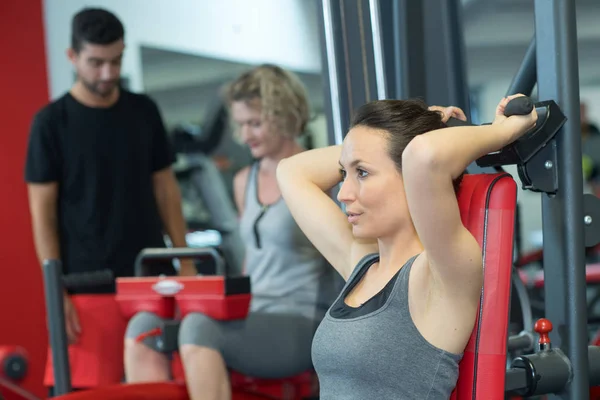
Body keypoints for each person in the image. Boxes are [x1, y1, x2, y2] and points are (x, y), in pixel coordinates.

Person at [276, 94, 537, 399]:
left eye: (361, 173)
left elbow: (425, 155)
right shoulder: (361, 265)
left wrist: (502, 132)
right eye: (344, 173)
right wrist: (372, 147)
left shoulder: (438, 277)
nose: (343, 193)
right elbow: (291, 172)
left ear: (410, 178)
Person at [124, 64, 337, 399]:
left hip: (301, 317)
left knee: (198, 327)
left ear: (284, 116)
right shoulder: (244, 181)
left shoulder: (318, 174)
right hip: (253, 312)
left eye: (255, 123)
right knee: (145, 326)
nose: (245, 135)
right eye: (240, 124)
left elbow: (343, 261)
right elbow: (253, 260)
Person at [24, 7, 195, 346]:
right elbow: (42, 215)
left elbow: (166, 191)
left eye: (116, 61)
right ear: (72, 56)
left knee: (159, 388)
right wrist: (55, 291)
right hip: (86, 282)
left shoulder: (144, 111)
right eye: (96, 62)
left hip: (150, 275)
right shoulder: (50, 123)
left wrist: (185, 260)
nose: (107, 72)